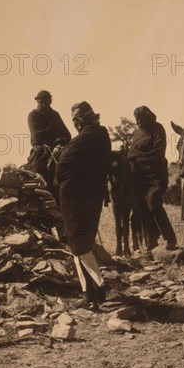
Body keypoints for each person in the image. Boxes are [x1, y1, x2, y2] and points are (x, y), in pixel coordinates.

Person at [55, 101, 111, 307]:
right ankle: (89, 292)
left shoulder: (81, 140)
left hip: (74, 200)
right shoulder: (102, 136)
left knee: (77, 243)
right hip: (93, 197)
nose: (75, 125)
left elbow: (62, 168)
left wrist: (60, 154)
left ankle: (100, 287)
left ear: (80, 121)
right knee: (79, 242)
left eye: (76, 121)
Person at [128, 106, 178, 252]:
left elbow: (158, 152)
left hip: (156, 174)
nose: (138, 121)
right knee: (143, 207)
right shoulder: (137, 133)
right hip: (139, 176)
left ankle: (170, 238)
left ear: (148, 116)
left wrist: (139, 159)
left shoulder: (158, 129)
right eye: (136, 119)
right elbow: (131, 154)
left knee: (153, 201)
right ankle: (152, 242)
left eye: (141, 118)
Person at [25, 90, 71, 200]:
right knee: (38, 172)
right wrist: (53, 135)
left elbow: (66, 134)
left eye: (47, 102)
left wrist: (60, 143)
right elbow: (37, 137)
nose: (44, 105)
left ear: (50, 102)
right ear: (37, 102)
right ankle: (37, 197)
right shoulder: (33, 115)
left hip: (58, 148)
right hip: (41, 150)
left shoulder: (55, 115)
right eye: (41, 102)